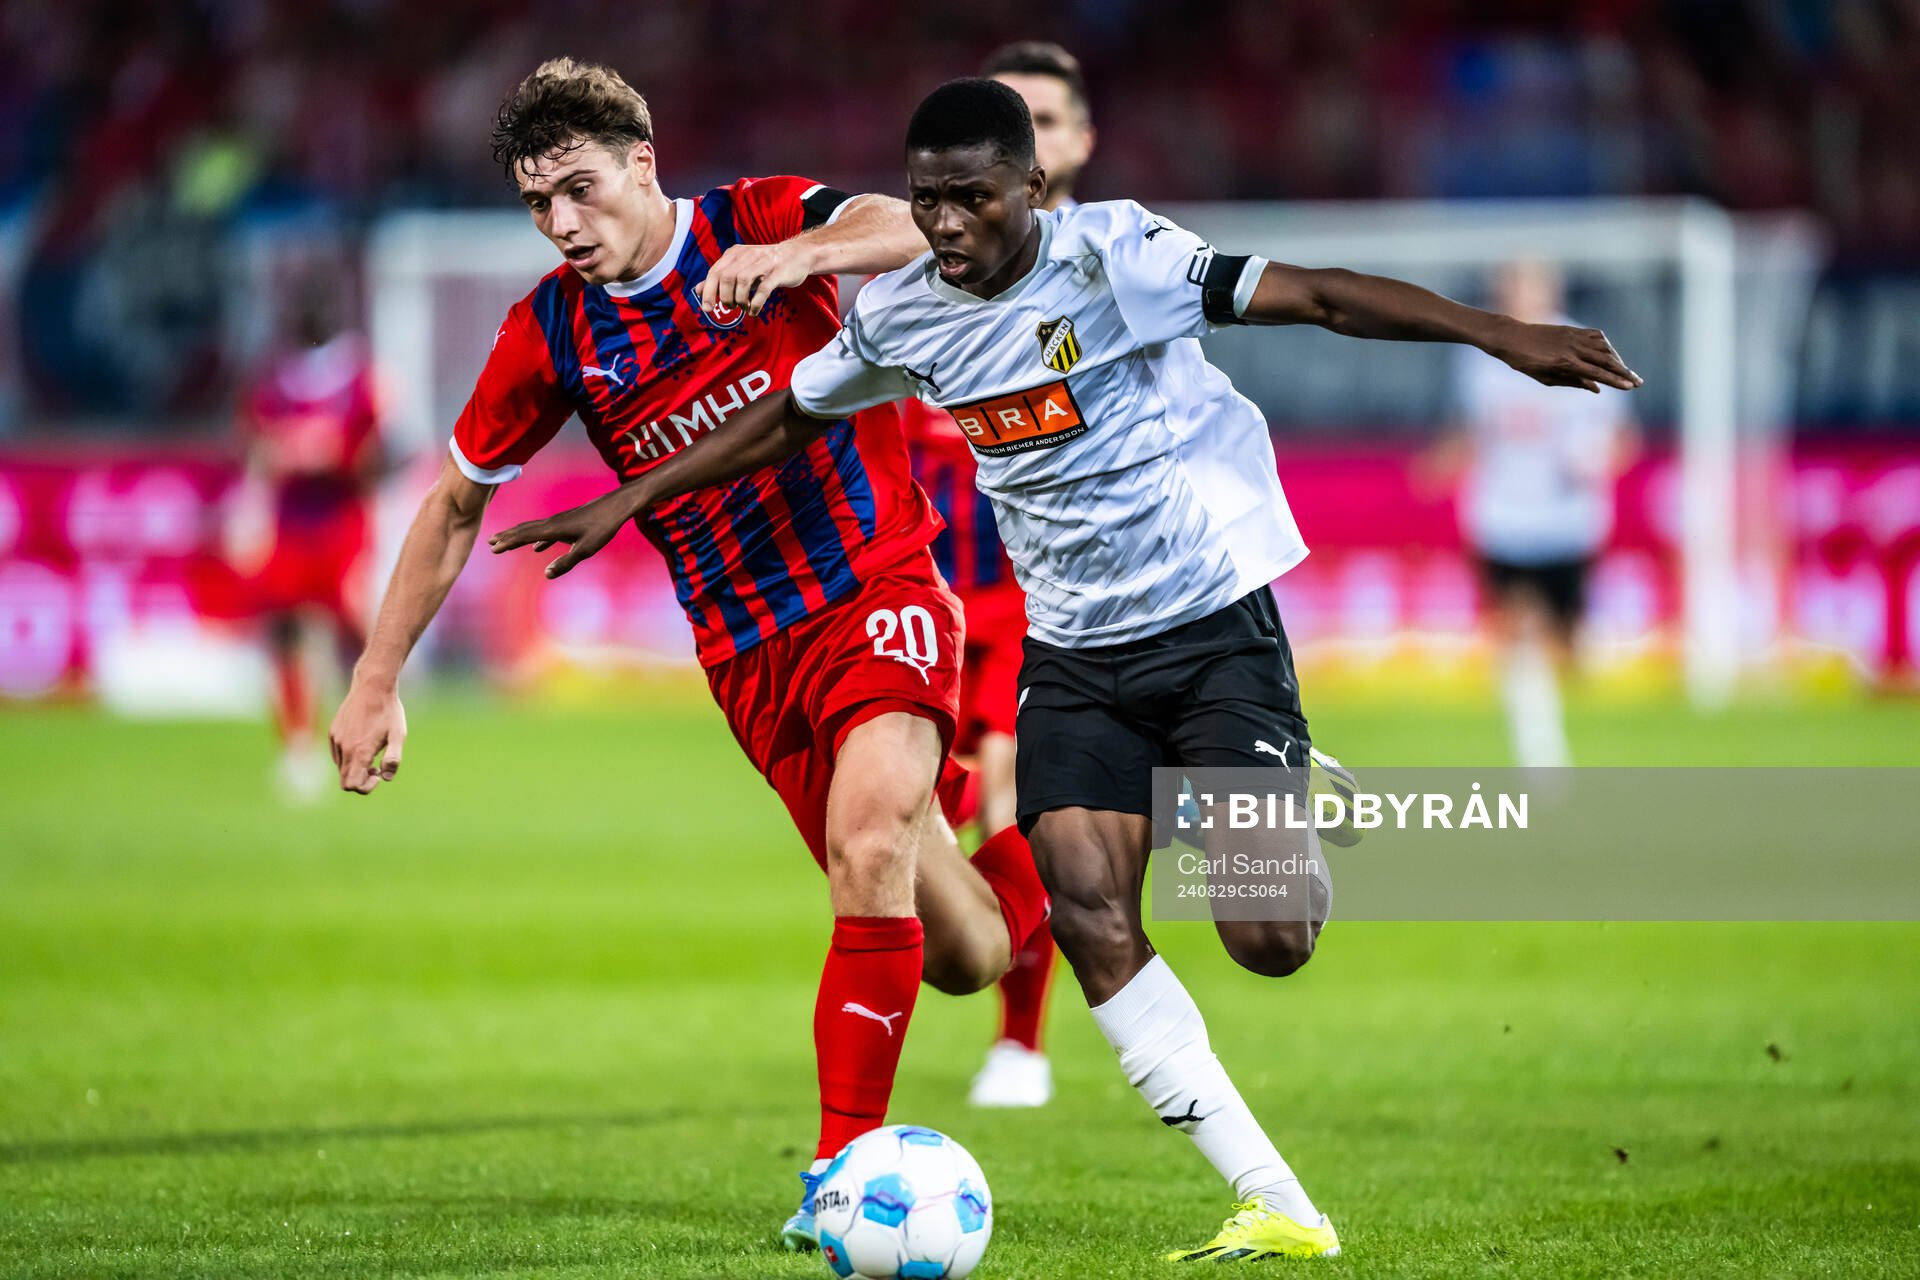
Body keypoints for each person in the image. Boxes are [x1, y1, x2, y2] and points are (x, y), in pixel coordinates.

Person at [489, 78, 1641, 1263]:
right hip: (1074, 650)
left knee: (1269, 935)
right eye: (927, 201)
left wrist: (1504, 337)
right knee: (1089, 912)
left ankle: (1281, 779)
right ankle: (1278, 1200)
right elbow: (794, 412)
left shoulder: (1117, 258)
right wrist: (628, 495)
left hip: (1205, 622)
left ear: (1030, 189)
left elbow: (1322, 296)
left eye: (971, 200)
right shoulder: (904, 317)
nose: (943, 226)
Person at [324, 60, 1050, 1252]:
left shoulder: (752, 218)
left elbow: (895, 226)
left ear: (642, 164)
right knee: (967, 949)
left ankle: (836, 1177)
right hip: (748, 656)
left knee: (867, 842)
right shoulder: (551, 330)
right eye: (536, 203)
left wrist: (801, 257)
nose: (562, 222)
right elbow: (457, 504)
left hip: (879, 583)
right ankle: (1077, 841)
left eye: (579, 187)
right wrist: (374, 676)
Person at [915, 39, 1096, 1110]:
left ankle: (1019, 1043)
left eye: (1045, 116)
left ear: (1072, 146)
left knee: (1019, 808)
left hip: (1047, 605)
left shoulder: (1119, 273)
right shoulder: (916, 278)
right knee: (917, 828)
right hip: (927, 602)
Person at [1429, 258, 1639, 767]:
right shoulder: (1482, 355)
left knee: (1569, 647)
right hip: (1502, 518)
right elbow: (1473, 432)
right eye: (1513, 285)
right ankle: (1540, 747)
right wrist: (1445, 462)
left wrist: (1596, 460)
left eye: (1530, 283)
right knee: (1517, 628)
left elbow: (1621, 439)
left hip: (1568, 520)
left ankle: (1567, 681)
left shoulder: (1587, 348)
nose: (1520, 294)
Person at [230, 283, 383, 800]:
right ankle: (298, 746)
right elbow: (258, 449)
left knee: (355, 628)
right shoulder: (275, 377)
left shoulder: (362, 376)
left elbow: (377, 452)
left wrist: (329, 452)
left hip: (342, 520)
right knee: (290, 635)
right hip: (291, 522)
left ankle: (366, 728)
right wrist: (250, 508)